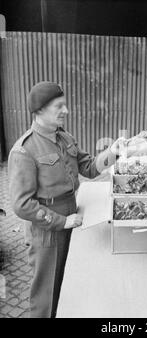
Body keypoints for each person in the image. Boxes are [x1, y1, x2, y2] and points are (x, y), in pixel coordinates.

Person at [8, 81, 127, 318]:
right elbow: (22, 205)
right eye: (59, 106)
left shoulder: (64, 138)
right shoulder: (24, 150)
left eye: (65, 105)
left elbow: (90, 167)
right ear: (40, 110)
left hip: (73, 216)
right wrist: (61, 222)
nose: (66, 111)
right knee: (46, 294)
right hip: (48, 229)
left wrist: (113, 152)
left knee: (67, 284)